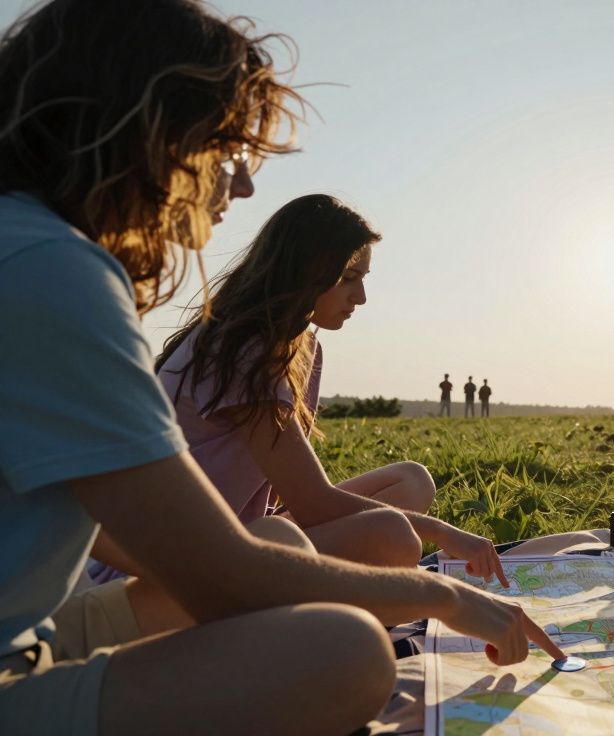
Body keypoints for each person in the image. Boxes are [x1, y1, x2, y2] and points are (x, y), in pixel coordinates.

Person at [0, 2, 563, 734]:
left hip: (41, 618)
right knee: (348, 651)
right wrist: (446, 598)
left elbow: (104, 510)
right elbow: (230, 576)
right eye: (225, 148)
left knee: (283, 545)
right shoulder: (53, 271)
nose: (240, 186)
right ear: (150, 130)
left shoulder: (28, 247)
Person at [85, 194, 508, 634]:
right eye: (348, 278)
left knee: (410, 481)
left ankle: (338, 594)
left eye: (363, 278)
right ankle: (347, 610)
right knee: (394, 536)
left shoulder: (300, 345)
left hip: (247, 531)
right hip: (174, 563)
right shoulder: (246, 346)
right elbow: (313, 501)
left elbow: (296, 497)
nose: (360, 297)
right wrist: (442, 532)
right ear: (305, 271)